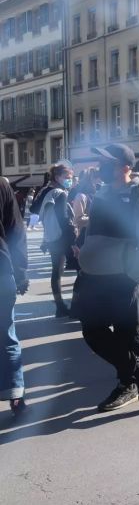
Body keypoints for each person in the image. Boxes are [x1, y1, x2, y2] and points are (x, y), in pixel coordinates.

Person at [72, 144, 139, 412]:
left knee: (126, 333)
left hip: (124, 277)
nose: (100, 166)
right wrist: (85, 250)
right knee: (92, 331)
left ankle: (128, 385)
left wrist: (136, 275)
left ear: (125, 167)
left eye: (106, 162)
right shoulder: (102, 193)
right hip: (94, 275)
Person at [0, 177, 28, 416]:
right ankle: (16, 397)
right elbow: (16, 231)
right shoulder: (1, 186)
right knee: (6, 335)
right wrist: (20, 273)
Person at [36, 162, 77, 317]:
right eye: (67, 177)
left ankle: (60, 306)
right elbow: (64, 219)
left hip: (52, 237)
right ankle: (76, 306)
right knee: (82, 271)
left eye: (71, 177)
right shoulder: (61, 193)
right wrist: (73, 242)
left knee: (57, 272)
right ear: (58, 177)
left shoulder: (49, 192)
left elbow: (36, 210)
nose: (70, 180)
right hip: (63, 238)